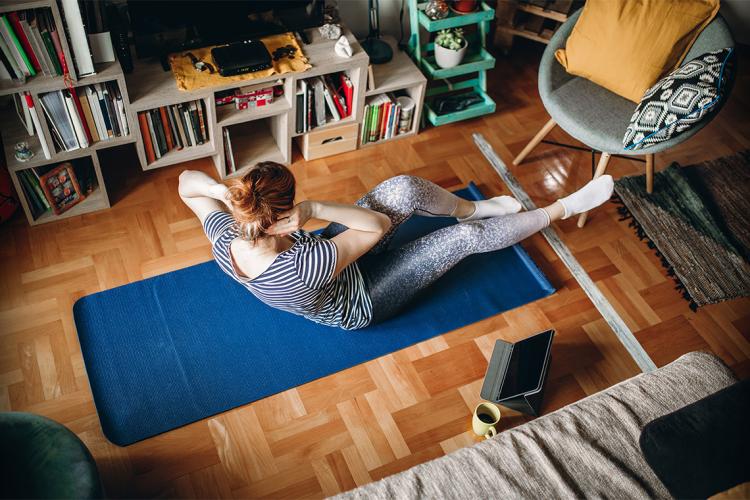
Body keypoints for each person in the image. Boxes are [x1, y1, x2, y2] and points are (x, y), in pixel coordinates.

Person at [178, 162, 613, 330]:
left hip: (335, 265)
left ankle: (472, 209)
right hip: (359, 299)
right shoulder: (302, 265)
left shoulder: (226, 235)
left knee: (404, 187)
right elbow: (377, 226)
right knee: (461, 241)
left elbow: (185, 185)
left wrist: (221, 192)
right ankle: (563, 207)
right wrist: (314, 208)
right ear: (282, 215)